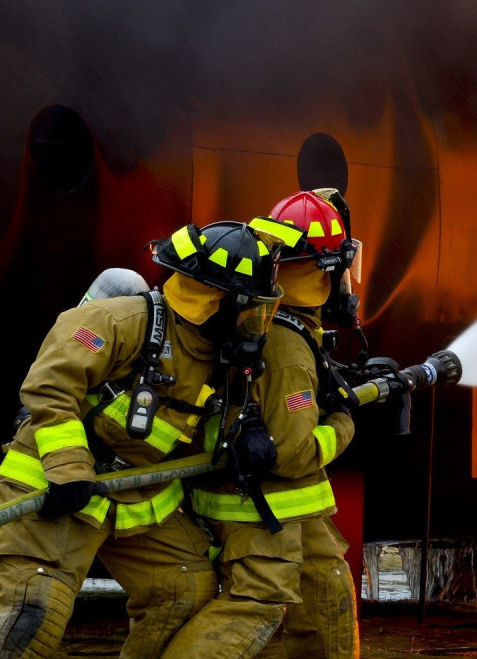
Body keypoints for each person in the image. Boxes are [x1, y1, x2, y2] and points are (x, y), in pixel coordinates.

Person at [0, 221, 284, 658]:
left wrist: (245, 431)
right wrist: (69, 469)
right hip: (58, 488)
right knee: (34, 609)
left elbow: (197, 426)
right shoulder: (116, 321)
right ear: (218, 300)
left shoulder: (218, 356)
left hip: (136, 497)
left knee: (184, 593)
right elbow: (50, 388)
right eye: (251, 308)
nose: (256, 323)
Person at [163, 189, 361, 658]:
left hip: (280, 508)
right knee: (257, 606)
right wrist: (344, 421)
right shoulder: (289, 348)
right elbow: (293, 453)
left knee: (325, 594)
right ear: (329, 269)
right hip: (263, 507)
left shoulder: (268, 323)